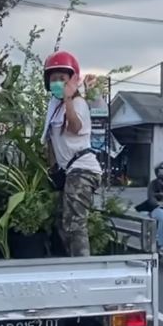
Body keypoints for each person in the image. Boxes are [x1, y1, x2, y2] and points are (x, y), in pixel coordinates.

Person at [41, 51, 102, 257]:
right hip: (68, 171)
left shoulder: (78, 104)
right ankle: (69, 261)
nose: (57, 82)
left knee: (75, 222)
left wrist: (68, 99)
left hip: (83, 169)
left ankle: (84, 269)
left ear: (72, 80)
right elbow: (51, 141)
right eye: (53, 78)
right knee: (60, 220)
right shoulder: (53, 106)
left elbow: (75, 127)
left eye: (62, 79)